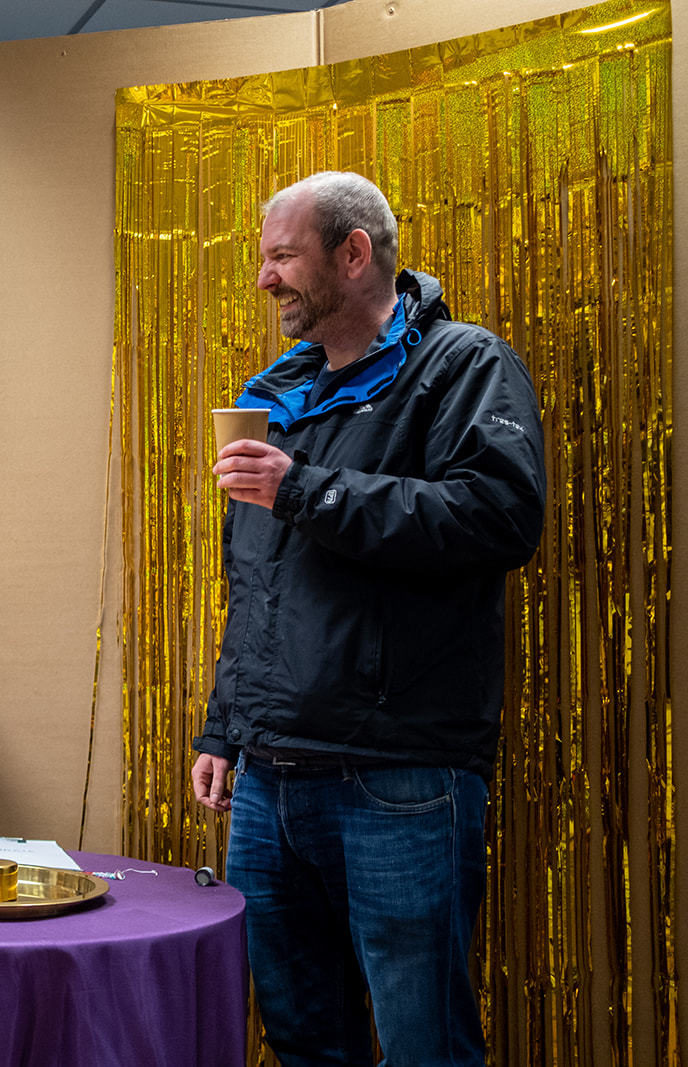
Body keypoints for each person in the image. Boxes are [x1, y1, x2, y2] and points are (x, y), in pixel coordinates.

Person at [189, 171, 546, 1065]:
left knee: (422, 1044)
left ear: (353, 256)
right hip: (271, 781)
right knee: (303, 1037)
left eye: (281, 256)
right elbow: (256, 584)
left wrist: (304, 488)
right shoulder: (278, 395)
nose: (264, 279)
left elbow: (499, 515)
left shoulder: (465, 364)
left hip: (402, 777)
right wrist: (226, 728)